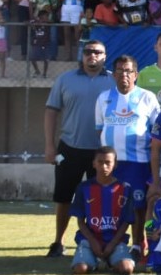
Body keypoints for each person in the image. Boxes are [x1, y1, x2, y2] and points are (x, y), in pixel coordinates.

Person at [44, 40, 115, 257]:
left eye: (97, 52)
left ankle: (101, 242)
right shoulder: (66, 79)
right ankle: (58, 242)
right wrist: (49, 145)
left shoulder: (114, 81)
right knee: (64, 197)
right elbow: (51, 111)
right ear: (82, 55)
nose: (92, 55)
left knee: (102, 198)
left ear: (105, 56)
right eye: (88, 52)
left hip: (102, 151)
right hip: (70, 147)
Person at [95, 54, 161, 254]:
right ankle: (114, 244)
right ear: (113, 75)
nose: (124, 75)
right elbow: (100, 129)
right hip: (112, 164)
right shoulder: (103, 98)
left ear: (136, 75)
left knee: (140, 207)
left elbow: (156, 131)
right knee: (112, 205)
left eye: (128, 71)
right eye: (120, 71)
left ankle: (139, 244)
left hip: (138, 163)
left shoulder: (147, 97)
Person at [69, 147, 136, 275]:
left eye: (108, 162)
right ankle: (92, 261)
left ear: (115, 164)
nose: (104, 166)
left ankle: (110, 261)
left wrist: (112, 244)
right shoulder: (84, 187)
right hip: (89, 240)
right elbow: (80, 221)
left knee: (126, 269)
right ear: (93, 163)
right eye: (100, 162)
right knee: (80, 270)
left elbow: (126, 222)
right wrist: (93, 242)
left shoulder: (125, 188)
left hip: (115, 241)